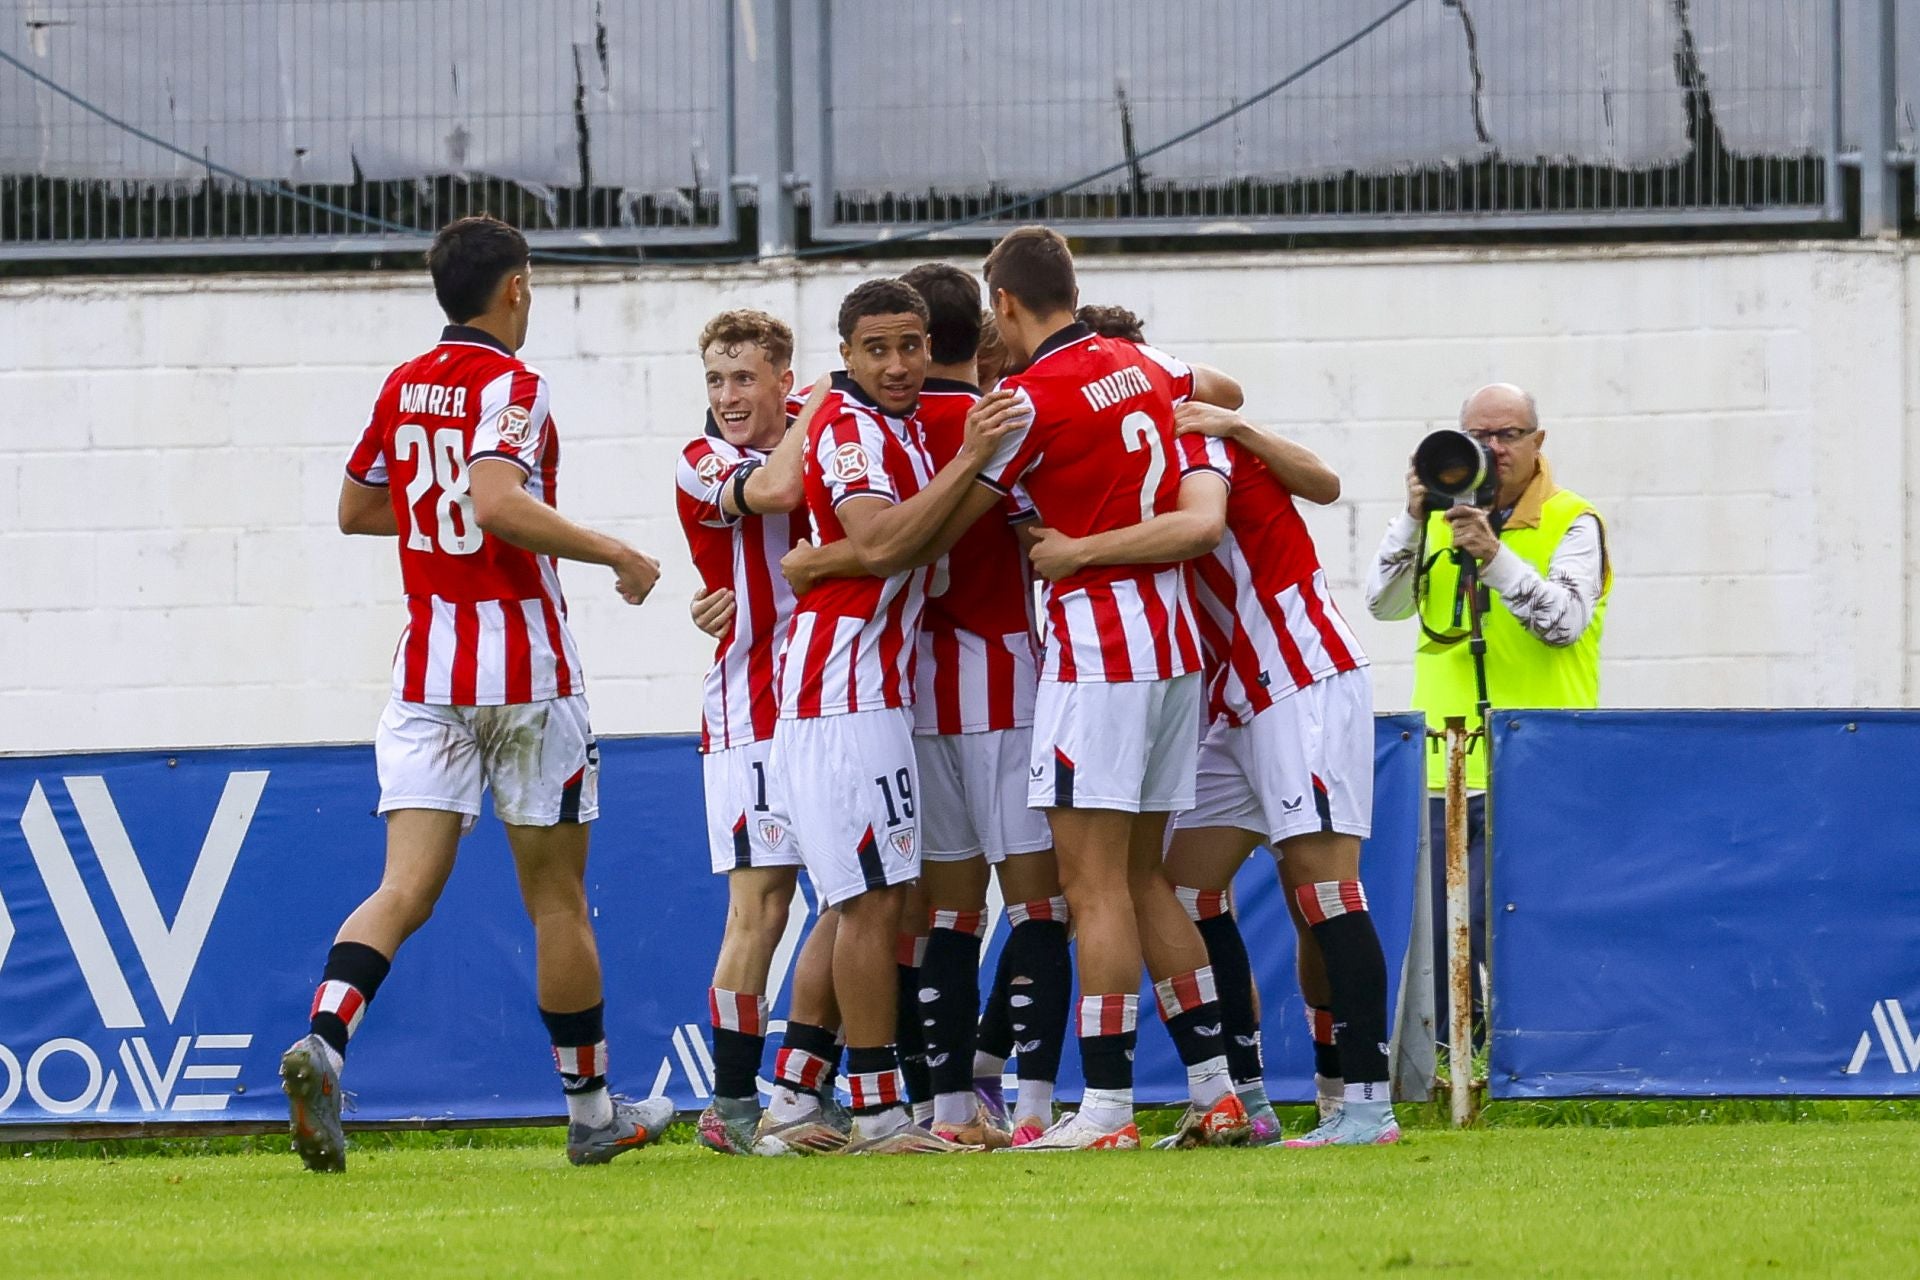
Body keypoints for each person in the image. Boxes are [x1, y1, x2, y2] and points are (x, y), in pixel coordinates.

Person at [281, 215, 671, 1172]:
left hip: (427, 677)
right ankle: (590, 1114)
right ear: (516, 288)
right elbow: (495, 498)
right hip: (527, 676)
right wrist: (615, 550)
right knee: (556, 901)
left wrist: (436, 513)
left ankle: (326, 1040)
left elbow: (356, 508)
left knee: (402, 887)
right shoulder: (514, 385)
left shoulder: (404, 384)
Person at [1047, 303, 1397, 1146]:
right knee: (1175, 881)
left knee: (1321, 891)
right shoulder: (1139, 453)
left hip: (1300, 676)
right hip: (1232, 701)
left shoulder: (1196, 437)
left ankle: (1367, 1104)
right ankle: (1243, 1097)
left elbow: (1322, 483)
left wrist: (1239, 423)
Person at [968, 226, 1250, 1151]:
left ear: (1004, 304)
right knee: (1140, 877)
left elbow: (961, 511)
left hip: (1099, 649)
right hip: (1174, 649)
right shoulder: (1141, 361)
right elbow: (1223, 391)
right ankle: (1216, 1092)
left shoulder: (1024, 398)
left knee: (1092, 887)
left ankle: (1107, 1111)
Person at [782, 262, 1071, 1150]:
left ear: (930, 342)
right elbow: (886, 540)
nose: (899, 363)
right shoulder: (892, 423)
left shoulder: (906, 430)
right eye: (878, 351)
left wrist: (819, 559)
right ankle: (972, 1108)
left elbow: (893, 544)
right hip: (864, 689)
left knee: (902, 907)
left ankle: (898, 1103)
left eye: (909, 346)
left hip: (900, 691)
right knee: (921, 904)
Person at [1365, 382, 1611, 1033]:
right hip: (1441, 770)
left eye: (1508, 435)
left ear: (1538, 441)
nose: (1494, 450)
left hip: (1539, 767)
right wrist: (1414, 518)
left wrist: (1494, 556)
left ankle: (1532, 1059)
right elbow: (1382, 604)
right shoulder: (1440, 521)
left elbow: (1562, 622)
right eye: (1480, 436)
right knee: (1444, 938)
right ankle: (1452, 1060)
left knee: (1528, 928)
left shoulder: (1573, 521)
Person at [673, 309, 848, 1155]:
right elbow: (778, 491)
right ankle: (734, 1108)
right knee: (762, 906)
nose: (727, 396)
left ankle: (805, 1087)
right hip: (753, 714)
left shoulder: (825, 410)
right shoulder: (702, 457)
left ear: (784, 376)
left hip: (842, 698)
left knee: (863, 898)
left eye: (744, 378)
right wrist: (829, 405)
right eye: (715, 379)